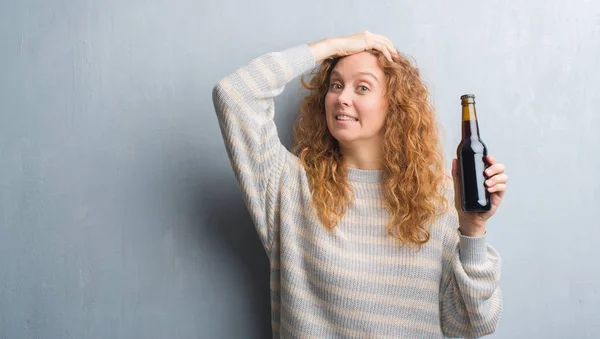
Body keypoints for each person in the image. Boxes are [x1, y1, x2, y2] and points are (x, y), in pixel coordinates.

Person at [212, 31, 507, 338]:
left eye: (362, 87)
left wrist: (472, 229)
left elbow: (472, 324)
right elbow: (234, 94)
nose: (342, 97)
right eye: (336, 85)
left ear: (395, 105)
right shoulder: (290, 186)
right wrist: (332, 47)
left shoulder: (439, 199)